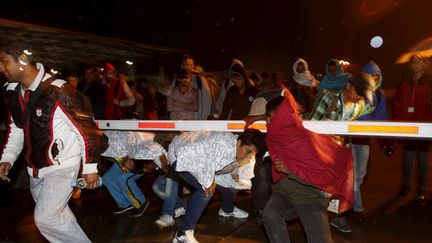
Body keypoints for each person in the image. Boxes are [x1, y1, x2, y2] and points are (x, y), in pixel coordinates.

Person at [0, 38, 108, 242]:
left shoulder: (60, 90)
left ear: (22, 60)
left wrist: (90, 167)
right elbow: (16, 127)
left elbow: (86, 130)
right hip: (35, 169)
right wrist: (7, 158)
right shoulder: (12, 91)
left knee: (46, 219)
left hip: (63, 167)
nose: (0, 67)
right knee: (60, 220)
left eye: (4, 61)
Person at [263, 88, 354, 243]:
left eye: (272, 118)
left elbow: (324, 177)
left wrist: (289, 169)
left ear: (283, 117)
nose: (268, 123)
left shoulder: (305, 140)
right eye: (267, 118)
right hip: (285, 192)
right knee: (270, 214)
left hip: (311, 195)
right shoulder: (276, 136)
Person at [171, 129, 265, 243]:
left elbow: (236, 170)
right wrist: (207, 181)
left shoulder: (242, 150)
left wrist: (237, 175)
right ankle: (183, 233)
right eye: (248, 151)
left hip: (206, 164)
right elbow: (191, 155)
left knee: (231, 184)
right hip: (182, 155)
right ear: (239, 143)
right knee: (205, 191)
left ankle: (227, 210)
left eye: (252, 154)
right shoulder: (221, 144)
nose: (249, 156)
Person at [309, 72, 375, 233]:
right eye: (358, 93)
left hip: (340, 153)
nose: (359, 97)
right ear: (348, 86)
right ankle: (316, 223)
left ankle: (337, 218)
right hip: (321, 152)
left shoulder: (358, 106)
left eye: (362, 95)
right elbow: (312, 127)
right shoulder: (329, 100)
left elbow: (348, 130)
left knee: (341, 188)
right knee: (321, 192)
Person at [351, 61, 389, 220]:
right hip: (350, 138)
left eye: (376, 76)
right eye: (370, 76)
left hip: (365, 139)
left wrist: (386, 140)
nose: (373, 79)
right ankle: (358, 208)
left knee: (361, 174)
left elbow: (382, 118)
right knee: (352, 175)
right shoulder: (355, 91)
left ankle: (344, 197)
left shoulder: (380, 95)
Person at [393, 54, 432, 203]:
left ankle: (421, 189)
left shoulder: (430, 82)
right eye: (413, 62)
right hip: (409, 127)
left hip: (425, 127)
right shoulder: (406, 82)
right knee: (408, 158)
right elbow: (397, 102)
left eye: (419, 62)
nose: (415, 65)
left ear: (425, 64)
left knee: (423, 159)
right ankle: (406, 185)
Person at [178, 55, 213, 120]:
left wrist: (202, 119)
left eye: (191, 65)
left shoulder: (200, 81)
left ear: (193, 66)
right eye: (186, 65)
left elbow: (207, 100)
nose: (188, 67)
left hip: (196, 121)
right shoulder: (176, 82)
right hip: (180, 122)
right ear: (181, 66)